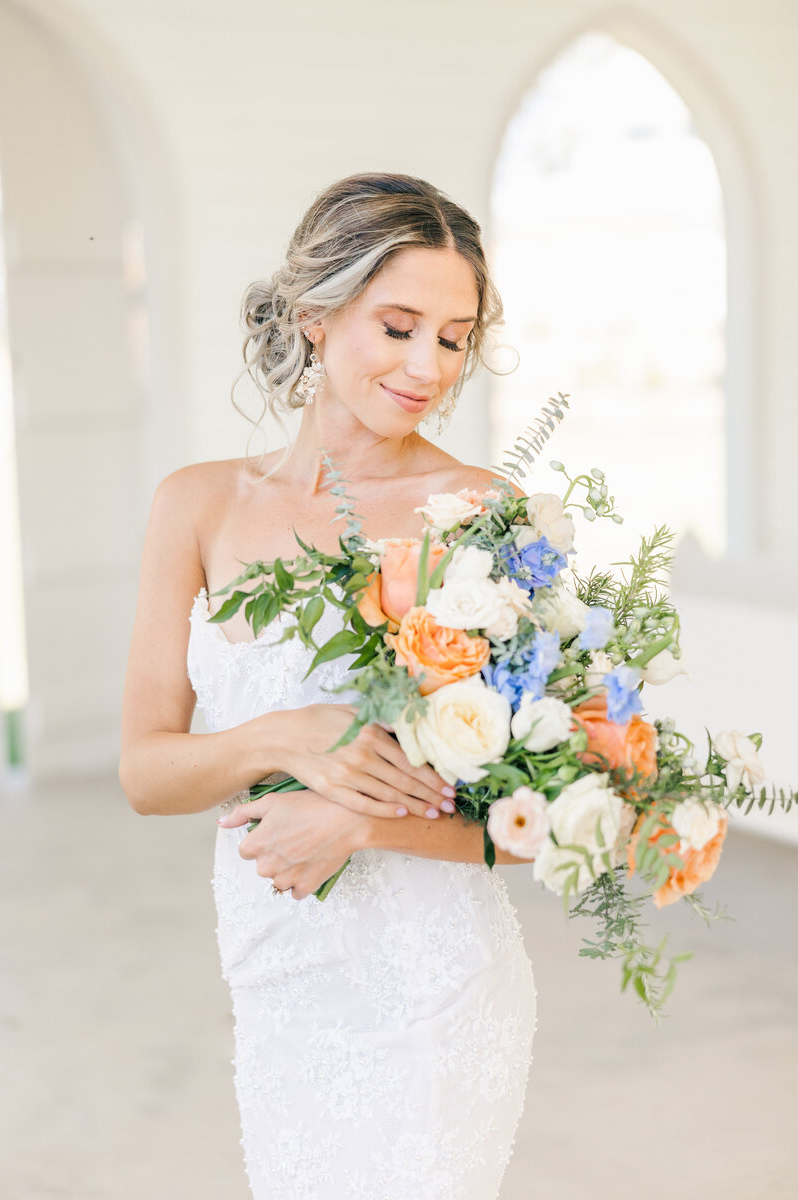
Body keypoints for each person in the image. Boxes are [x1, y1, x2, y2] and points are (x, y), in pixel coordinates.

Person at [119, 172, 537, 1200]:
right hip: (278, 965)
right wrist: (282, 737)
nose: (425, 365)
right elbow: (146, 772)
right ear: (314, 314)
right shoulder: (197, 505)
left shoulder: (482, 513)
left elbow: (537, 817)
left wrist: (355, 824)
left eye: (451, 336)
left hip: (435, 982)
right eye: (396, 326)